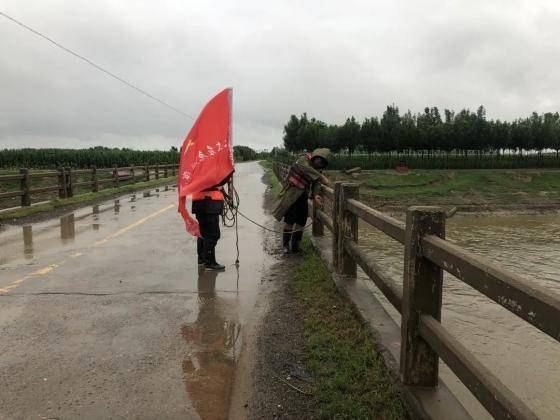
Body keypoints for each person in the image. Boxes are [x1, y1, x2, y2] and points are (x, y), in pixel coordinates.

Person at [272, 148, 331, 253]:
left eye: (322, 161)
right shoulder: (303, 159)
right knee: (290, 220)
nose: (319, 162)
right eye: (318, 159)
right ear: (314, 156)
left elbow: (316, 184)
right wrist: (321, 177)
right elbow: (304, 168)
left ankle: (295, 246)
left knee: (301, 221)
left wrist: (315, 195)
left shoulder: (317, 170)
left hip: (303, 195)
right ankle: (286, 246)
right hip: (292, 193)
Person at [192, 186, 226, 270]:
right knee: (212, 235)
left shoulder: (196, 173)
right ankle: (209, 263)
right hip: (210, 203)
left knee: (203, 233)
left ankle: (202, 259)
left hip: (199, 202)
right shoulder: (210, 173)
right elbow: (215, 181)